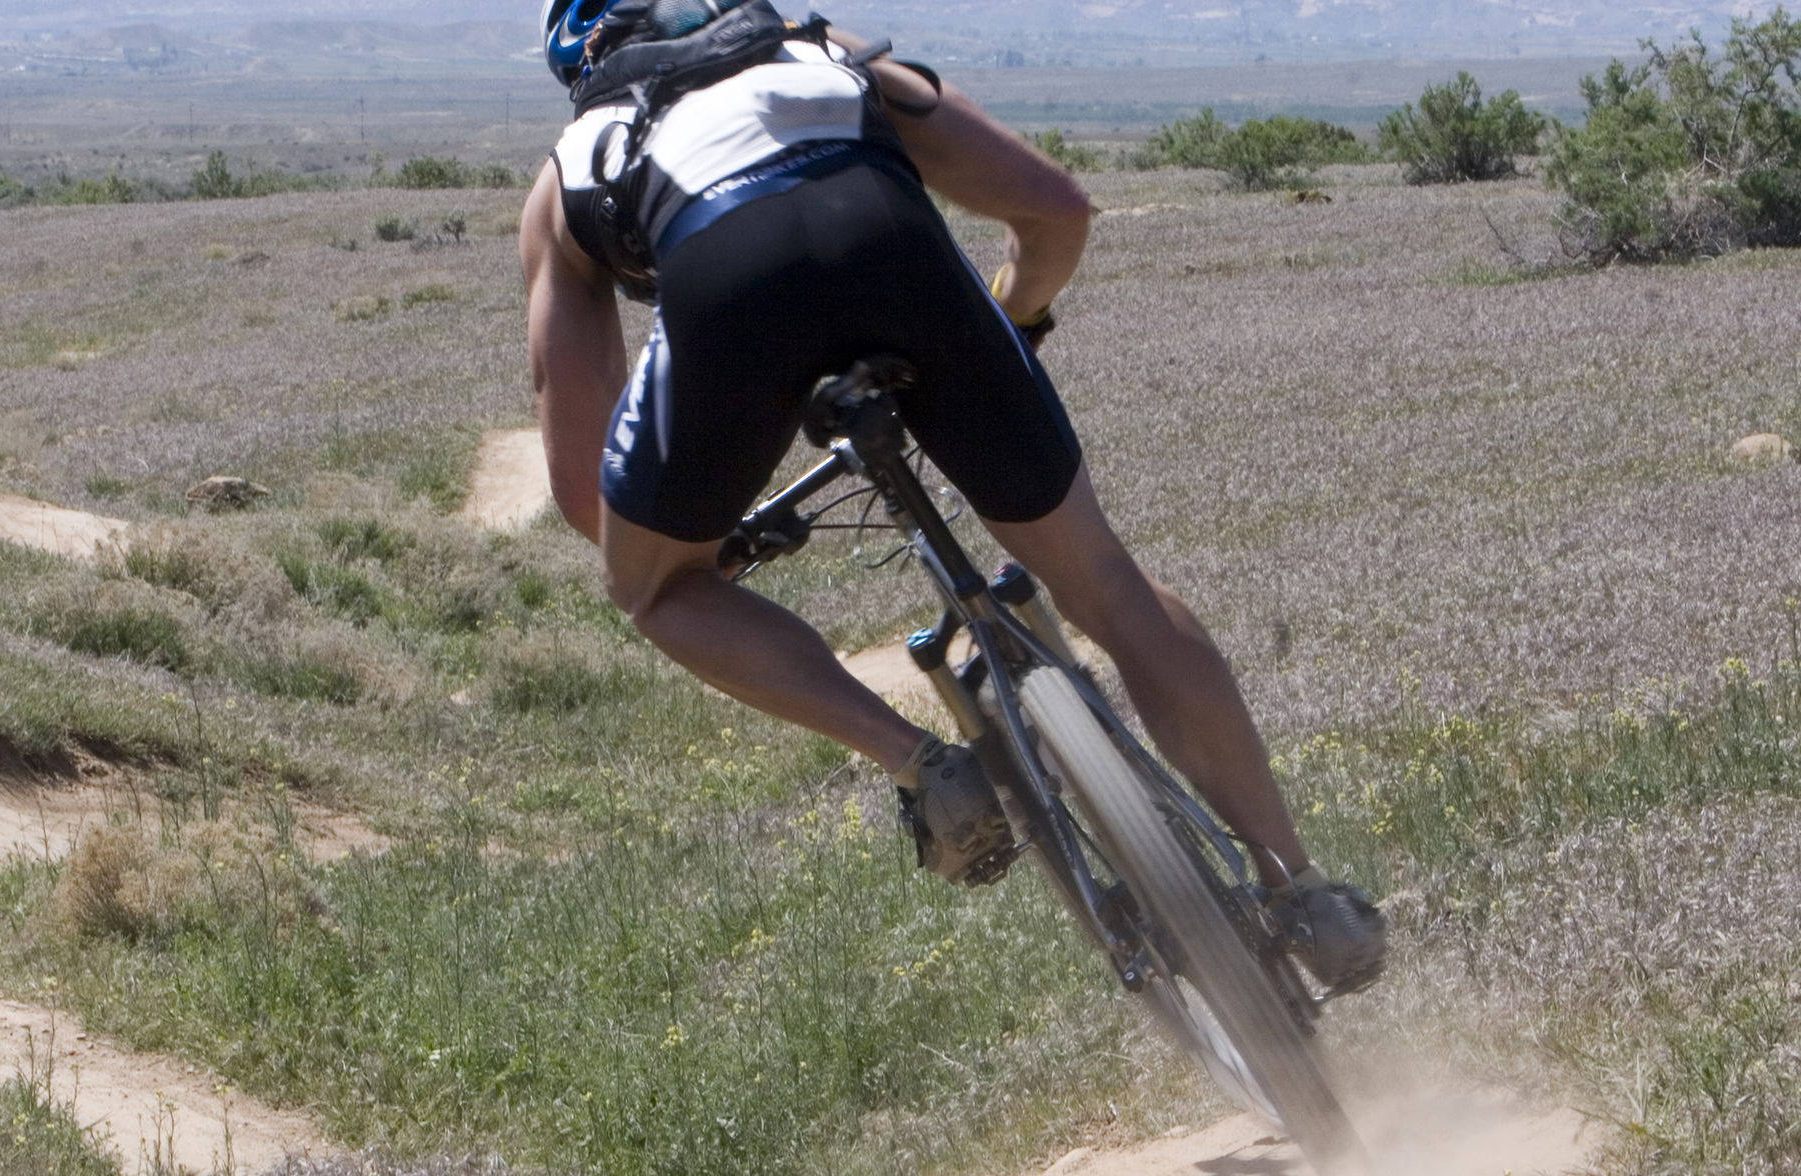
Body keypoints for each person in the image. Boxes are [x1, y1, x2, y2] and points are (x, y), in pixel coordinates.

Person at [519, 0, 1386, 993]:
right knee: (1103, 580)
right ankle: (1300, 887)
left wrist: (692, 550)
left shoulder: (571, 171)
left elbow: (587, 490)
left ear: (575, 56)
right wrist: (1010, 325)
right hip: (895, 249)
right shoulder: (818, 51)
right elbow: (1055, 208)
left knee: (651, 591)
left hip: (722, 281)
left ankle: (923, 766)